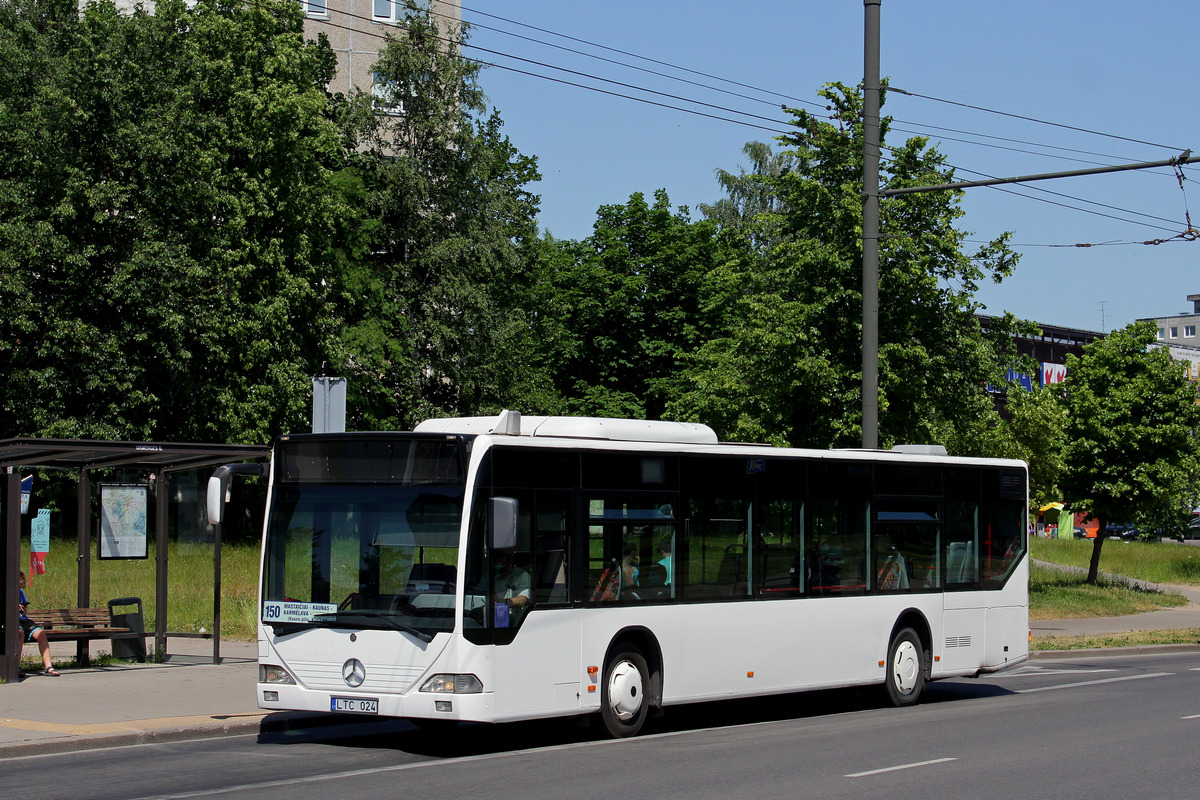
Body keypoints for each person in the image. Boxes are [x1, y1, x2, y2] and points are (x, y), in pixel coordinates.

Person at [18, 571, 58, 676]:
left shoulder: (21, 592)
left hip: (23, 619)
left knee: (41, 634)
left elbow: (25, 611)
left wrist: (23, 607)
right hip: (12, 620)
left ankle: (48, 666)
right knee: (19, 633)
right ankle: (16, 666)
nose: (20, 587)